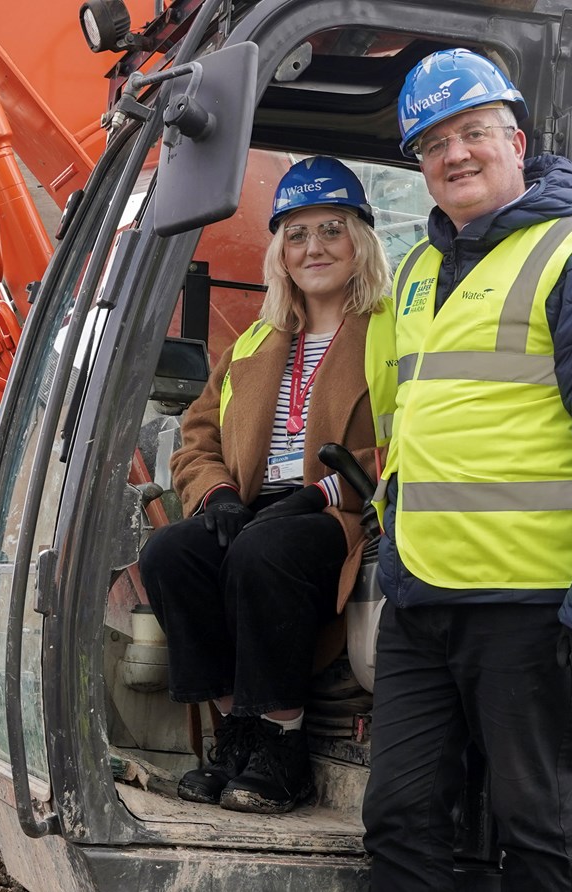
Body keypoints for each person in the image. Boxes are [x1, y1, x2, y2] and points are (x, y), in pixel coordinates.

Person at [360, 49, 572, 890]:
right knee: (399, 818)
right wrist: (389, 543)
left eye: (472, 133)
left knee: (532, 828)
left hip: (525, 604)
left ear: (516, 140)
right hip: (422, 597)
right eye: (431, 144)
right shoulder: (418, 272)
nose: (454, 154)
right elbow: (409, 423)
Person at [139, 156, 391, 815]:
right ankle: (238, 734)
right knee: (171, 554)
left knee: (263, 552)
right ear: (280, 251)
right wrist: (217, 494)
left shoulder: (396, 334)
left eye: (332, 229)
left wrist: (329, 491)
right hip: (252, 507)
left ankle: (285, 745)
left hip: (345, 513)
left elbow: (419, 430)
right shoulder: (253, 341)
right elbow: (198, 436)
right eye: (298, 234)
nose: (315, 248)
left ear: (360, 240)